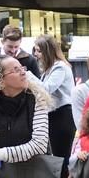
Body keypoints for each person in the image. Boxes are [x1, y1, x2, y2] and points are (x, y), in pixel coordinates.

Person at [34, 35, 76, 163]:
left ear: (48, 51)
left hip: (62, 115)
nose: (35, 54)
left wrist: (28, 77)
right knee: (58, 156)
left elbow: (46, 89)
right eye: (35, 50)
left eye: (39, 51)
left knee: (62, 157)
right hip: (54, 115)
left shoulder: (60, 67)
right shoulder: (49, 69)